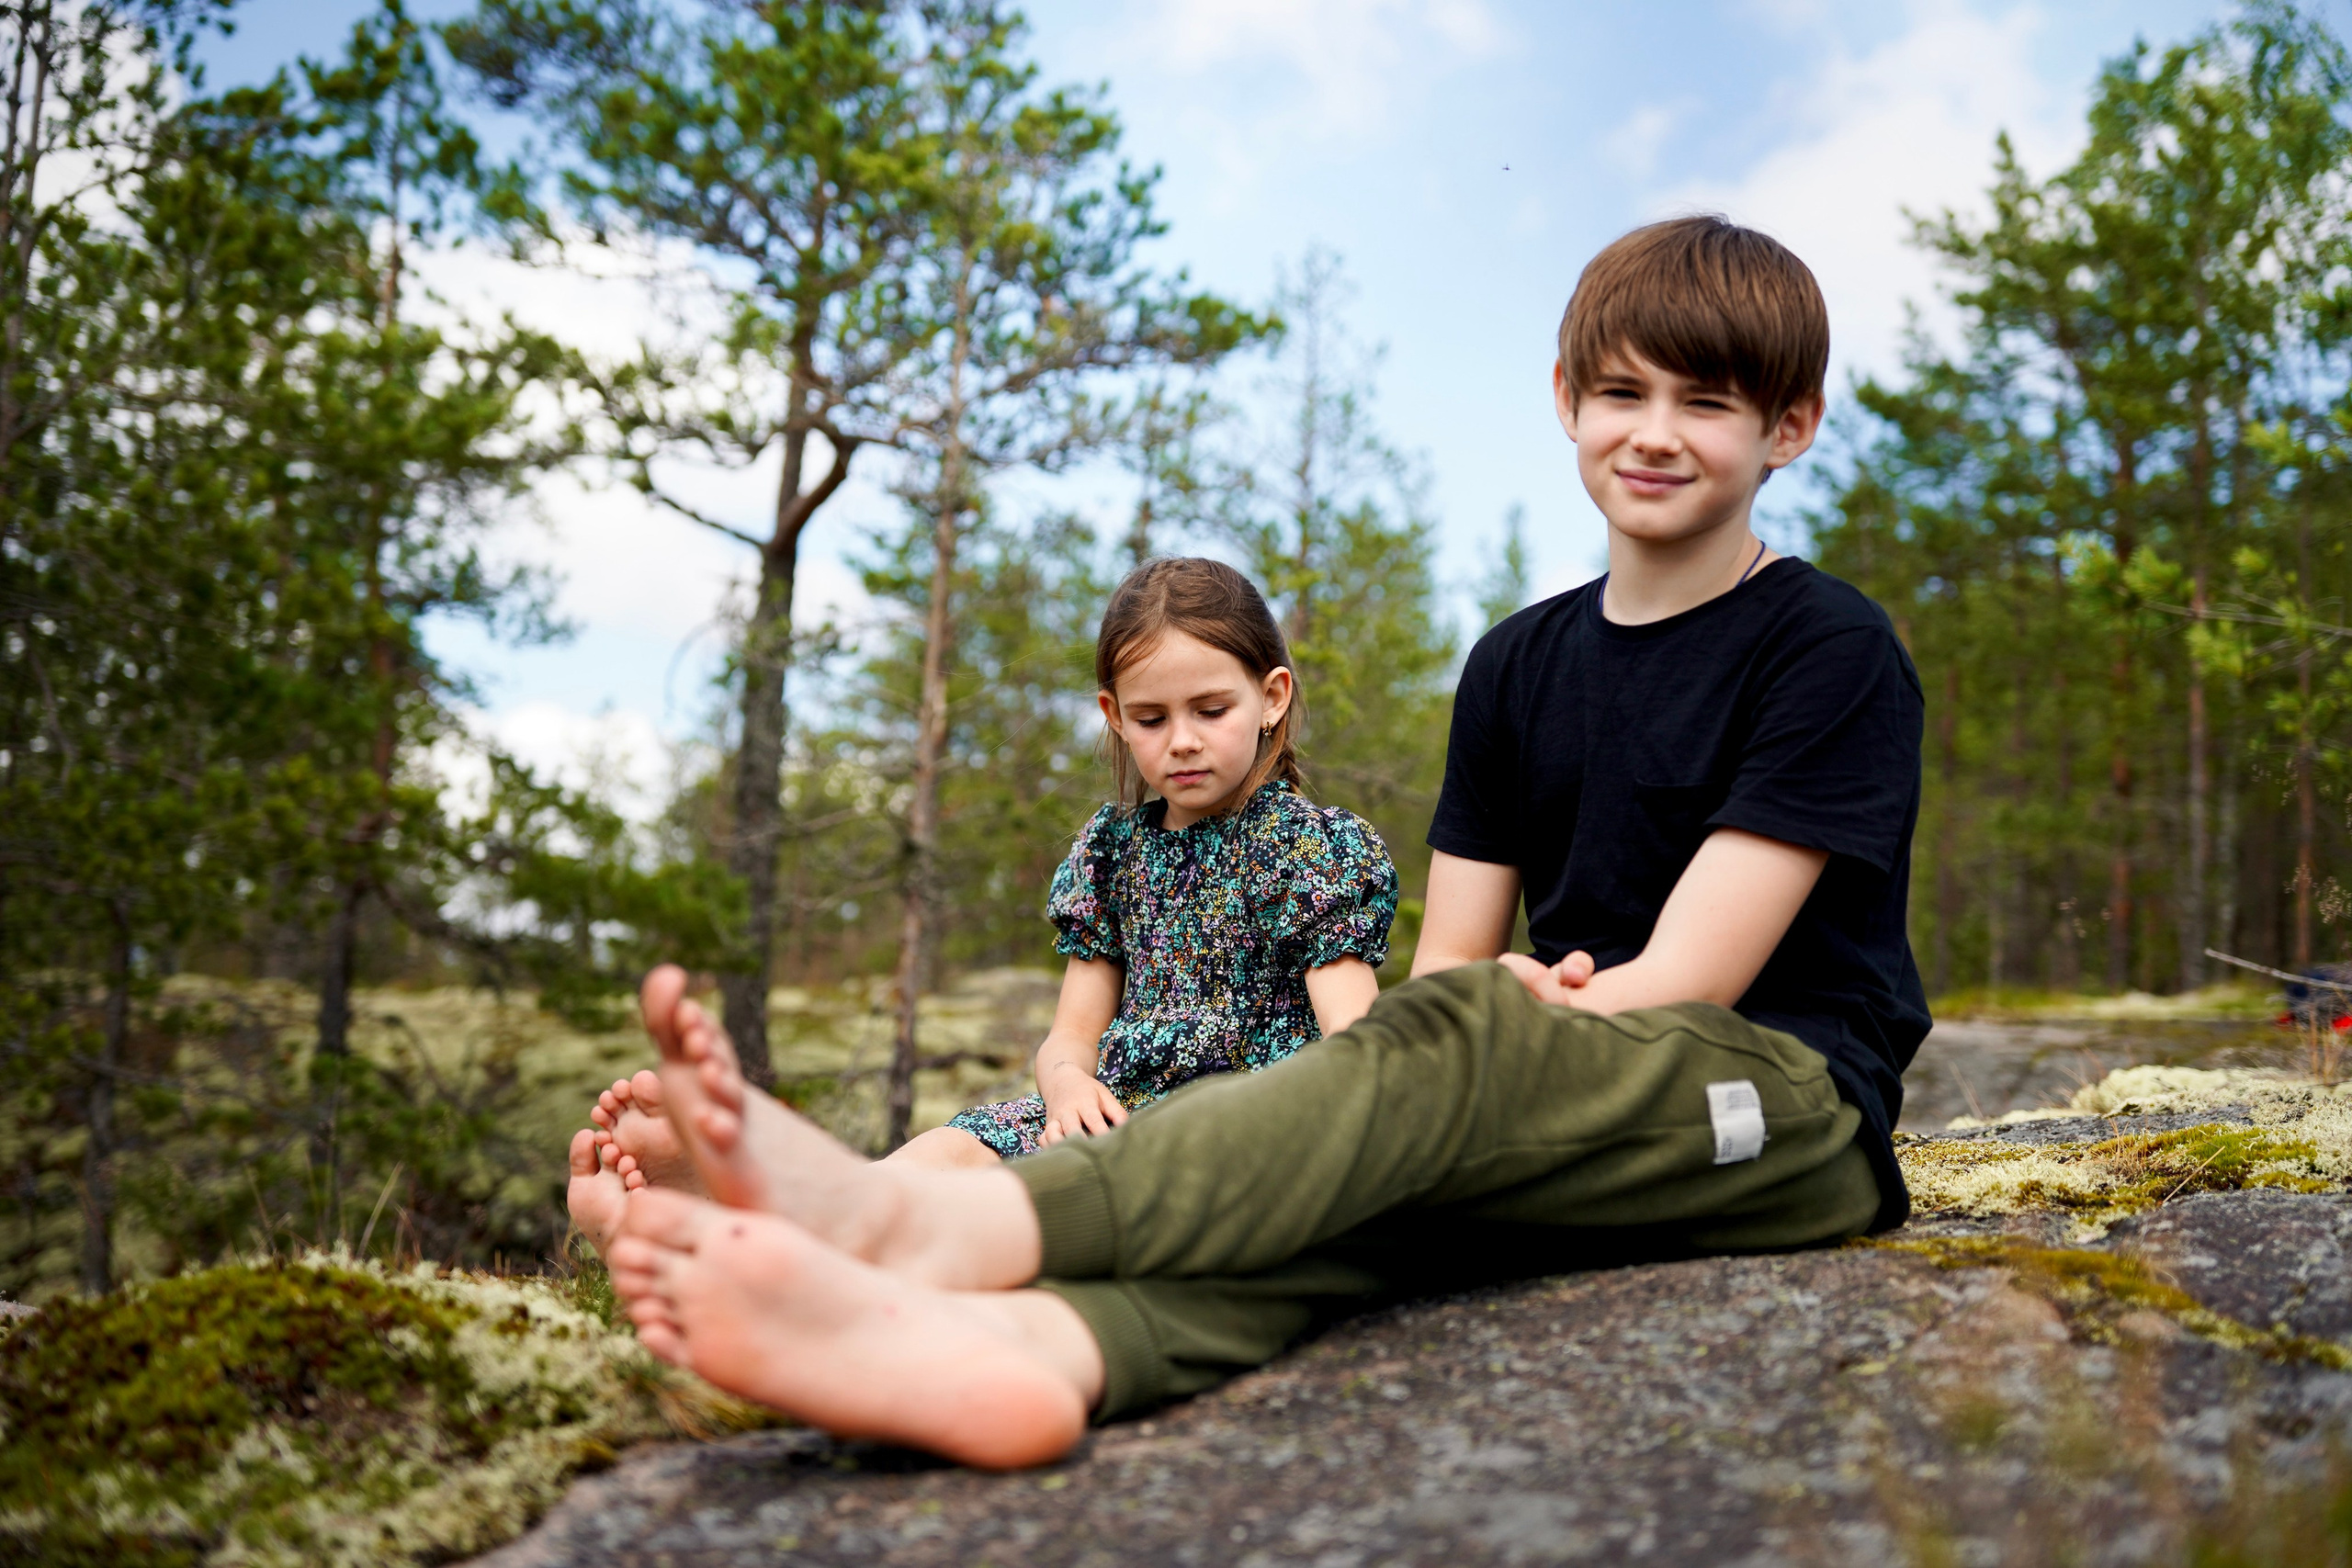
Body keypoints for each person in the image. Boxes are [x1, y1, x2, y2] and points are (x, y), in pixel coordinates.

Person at [571, 213, 1930, 1472]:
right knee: (1361, 1187)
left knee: (1447, 1066)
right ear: (1567, 397)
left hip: (1780, 1100)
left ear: (1789, 427)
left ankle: (915, 1225)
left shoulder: (1827, 647)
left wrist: (1505, 1023)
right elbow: (1454, 960)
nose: (1658, 432)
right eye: (1626, 391)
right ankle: (1037, 1350)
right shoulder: (1516, 665)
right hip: (1568, 1073)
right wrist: (1482, 1016)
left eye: (1708, 402)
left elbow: (1691, 974)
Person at [897, 557, 1397, 1168]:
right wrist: (1068, 1088)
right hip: (1121, 1117)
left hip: (1251, 1126)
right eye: (1151, 718)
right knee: (942, 1152)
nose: (1182, 740)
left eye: (1211, 711)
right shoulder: (1112, 854)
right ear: (1115, 716)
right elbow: (1072, 1036)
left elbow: (1355, 1040)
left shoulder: (1301, 849)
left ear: (1271, 697)